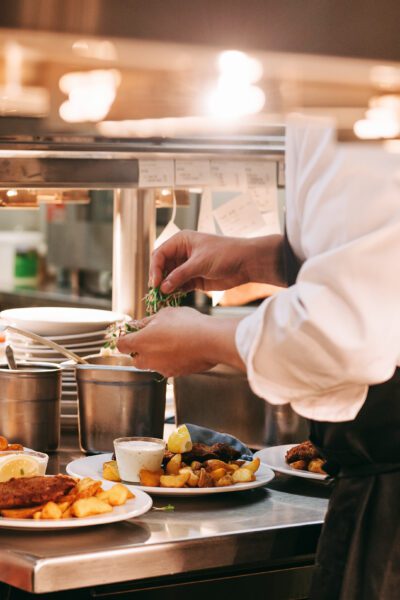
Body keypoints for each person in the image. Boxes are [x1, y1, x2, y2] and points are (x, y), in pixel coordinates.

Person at [117, 115, 400, 600]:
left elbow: (341, 336)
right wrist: (259, 259)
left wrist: (208, 340)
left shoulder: (360, 93)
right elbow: (379, 265)